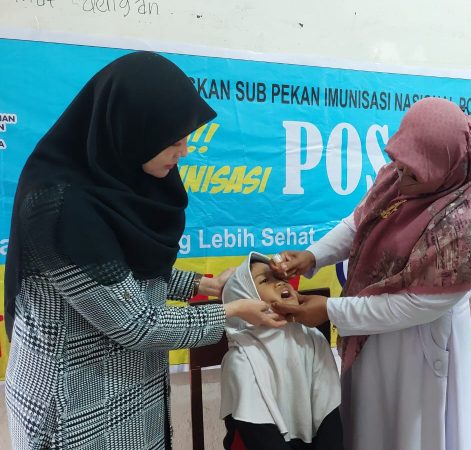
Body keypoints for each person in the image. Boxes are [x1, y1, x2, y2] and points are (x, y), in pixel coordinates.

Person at [3, 51, 280, 450]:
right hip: (72, 407)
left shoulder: (123, 180)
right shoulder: (59, 209)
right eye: (174, 141)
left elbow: (129, 273)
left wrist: (205, 284)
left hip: (129, 386)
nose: (183, 151)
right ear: (133, 130)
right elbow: (137, 324)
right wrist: (234, 312)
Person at [270, 97, 471, 450]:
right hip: (371, 333)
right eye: (400, 166)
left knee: (409, 433)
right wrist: (312, 256)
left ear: (446, 167)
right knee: (368, 426)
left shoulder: (466, 226)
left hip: (419, 349)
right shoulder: (400, 174)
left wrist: (329, 311)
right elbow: (361, 222)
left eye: (414, 175)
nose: (402, 179)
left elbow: (410, 306)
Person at [219, 252, 343, 450]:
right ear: (245, 297)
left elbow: (330, 417)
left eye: (281, 278)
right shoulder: (242, 356)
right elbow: (258, 436)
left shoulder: (313, 338)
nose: (281, 284)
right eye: (266, 280)